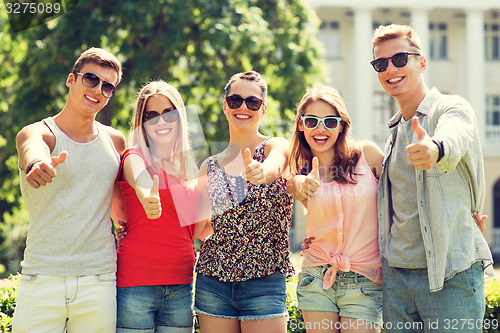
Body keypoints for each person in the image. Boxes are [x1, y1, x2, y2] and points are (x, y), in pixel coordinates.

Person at [371, 24, 493, 332]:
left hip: (450, 276)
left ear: (421, 62)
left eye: (400, 59)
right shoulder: (394, 131)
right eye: (380, 63)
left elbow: (455, 136)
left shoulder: (451, 107)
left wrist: (435, 148)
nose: (390, 69)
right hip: (397, 279)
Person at [13, 47, 126, 332]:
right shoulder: (39, 132)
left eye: (108, 86)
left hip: (98, 280)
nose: (98, 89)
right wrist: (37, 164)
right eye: (90, 79)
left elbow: (119, 208)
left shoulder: (115, 141)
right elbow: (32, 149)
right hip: (42, 277)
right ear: (71, 80)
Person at [193, 71, 294, 333]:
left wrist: (263, 172)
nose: (244, 107)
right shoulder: (209, 166)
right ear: (225, 105)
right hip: (213, 281)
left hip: (265, 280)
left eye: (253, 102)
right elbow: (200, 229)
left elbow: (276, 165)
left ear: (263, 109)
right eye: (236, 100)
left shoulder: (276, 146)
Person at [287, 86, 384, 332]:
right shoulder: (300, 172)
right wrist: (302, 185)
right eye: (312, 121)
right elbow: (295, 187)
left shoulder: (368, 156)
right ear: (301, 125)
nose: (321, 129)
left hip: (365, 278)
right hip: (316, 276)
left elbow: (402, 200)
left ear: (342, 125)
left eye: (330, 121)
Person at [115, 80, 203, 333]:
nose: (161, 122)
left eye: (168, 114)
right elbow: (140, 179)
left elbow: (196, 232)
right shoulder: (135, 155)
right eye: (151, 116)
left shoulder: (190, 169)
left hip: (182, 285)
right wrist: (146, 197)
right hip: (136, 283)